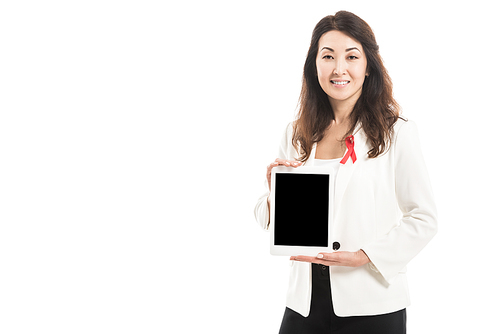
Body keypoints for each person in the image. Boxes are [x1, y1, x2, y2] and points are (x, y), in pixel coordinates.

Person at [254, 11, 438, 334]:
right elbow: (266, 218)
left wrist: (365, 255)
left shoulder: (397, 133)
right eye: (328, 56)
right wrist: (273, 196)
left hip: (372, 301)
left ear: (368, 66)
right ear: (315, 65)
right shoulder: (296, 133)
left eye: (351, 56)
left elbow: (424, 218)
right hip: (305, 302)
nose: (339, 68)